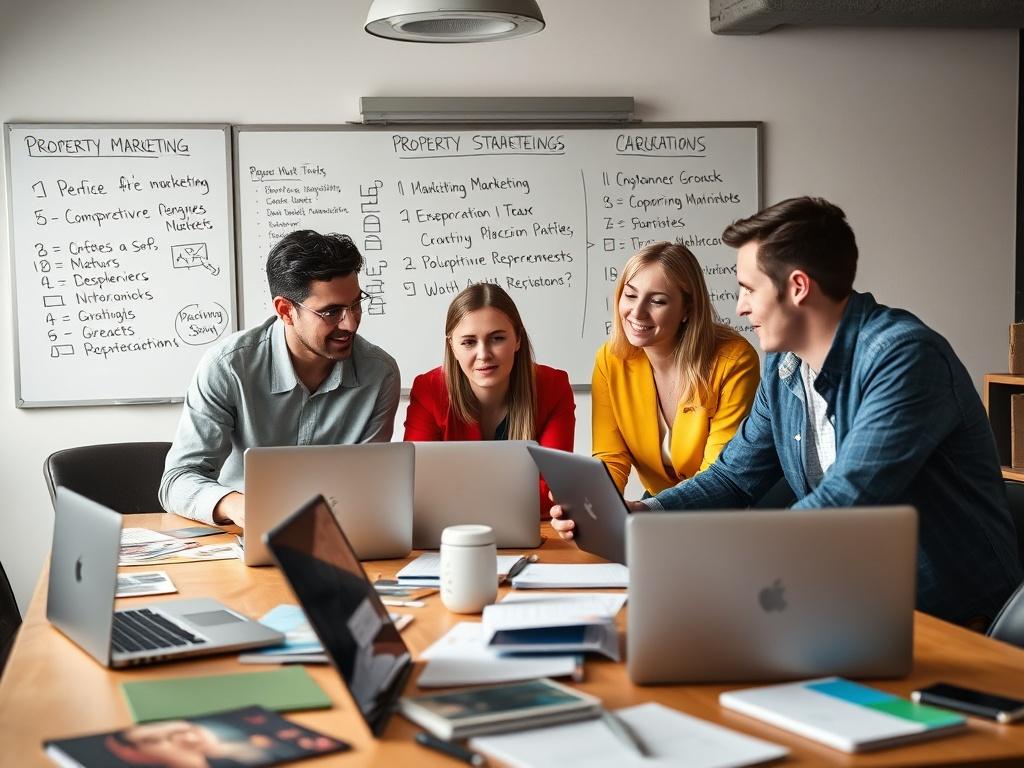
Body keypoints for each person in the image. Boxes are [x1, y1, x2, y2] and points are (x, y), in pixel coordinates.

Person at [553, 197, 1022, 628]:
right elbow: (735, 478)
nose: (739, 307)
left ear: (797, 288)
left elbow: (848, 499)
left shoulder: (902, 356)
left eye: (748, 289)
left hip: (956, 622)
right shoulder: (786, 365)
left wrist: (726, 563)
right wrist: (641, 512)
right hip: (861, 608)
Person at [159, 230, 400, 527]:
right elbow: (177, 482)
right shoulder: (228, 367)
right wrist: (239, 506)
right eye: (331, 311)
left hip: (343, 533)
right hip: (242, 534)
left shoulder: (380, 374)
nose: (350, 323)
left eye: (355, 304)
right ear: (285, 310)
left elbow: (371, 484)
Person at [593, 241, 759, 495]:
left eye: (657, 301)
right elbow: (610, 458)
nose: (637, 312)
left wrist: (652, 508)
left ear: (687, 309)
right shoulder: (610, 359)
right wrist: (592, 505)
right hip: (660, 501)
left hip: (725, 501)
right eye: (630, 295)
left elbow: (719, 475)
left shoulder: (733, 360)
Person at [404, 283, 575, 517]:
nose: (484, 354)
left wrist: (457, 496)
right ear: (451, 346)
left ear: (517, 339)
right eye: (468, 342)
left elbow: (557, 490)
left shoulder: (553, 386)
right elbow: (416, 488)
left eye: (497, 338)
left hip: (534, 534)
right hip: (453, 535)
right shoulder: (428, 390)